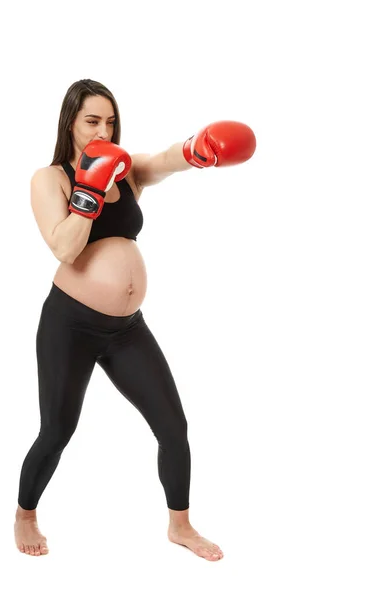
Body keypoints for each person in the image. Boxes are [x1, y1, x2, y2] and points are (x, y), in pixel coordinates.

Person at [14, 78, 256, 560]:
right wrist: (89, 187)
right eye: (91, 121)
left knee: (173, 426)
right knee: (57, 431)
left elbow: (165, 160)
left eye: (110, 121)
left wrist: (197, 148)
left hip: (126, 329)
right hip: (70, 324)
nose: (103, 129)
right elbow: (64, 246)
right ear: (70, 122)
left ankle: (181, 527)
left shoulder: (126, 171)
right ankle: (24, 515)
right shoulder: (51, 177)